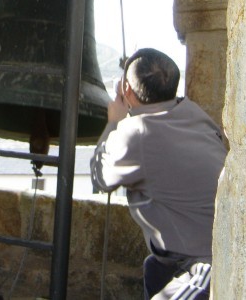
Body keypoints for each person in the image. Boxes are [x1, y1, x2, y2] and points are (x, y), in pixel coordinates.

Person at [90, 48, 227, 300]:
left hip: (209, 263)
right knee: (154, 267)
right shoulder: (195, 114)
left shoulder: (137, 132)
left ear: (126, 90)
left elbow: (99, 177)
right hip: (196, 253)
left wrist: (113, 121)